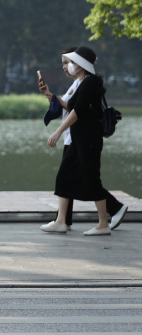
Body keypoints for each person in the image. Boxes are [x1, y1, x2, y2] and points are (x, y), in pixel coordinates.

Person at [39, 47, 127, 232]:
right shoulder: (83, 83)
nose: (68, 66)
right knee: (64, 177)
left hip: (88, 138)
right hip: (79, 138)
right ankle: (61, 221)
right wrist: (51, 96)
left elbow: (77, 111)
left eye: (70, 62)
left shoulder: (90, 83)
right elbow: (71, 105)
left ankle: (103, 223)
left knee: (92, 179)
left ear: (81, 64)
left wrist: (57, 132)